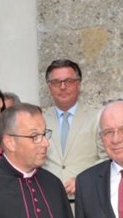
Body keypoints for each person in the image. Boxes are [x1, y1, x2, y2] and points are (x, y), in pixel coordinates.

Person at [42, 59, 105, 197]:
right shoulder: (40, 119)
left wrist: (84, 180)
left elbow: (107, 158)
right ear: (49, 87)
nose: (63, 87)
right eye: (56, 82)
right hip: (49, 199)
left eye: (69, 81)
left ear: (78, 84)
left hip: (87, 198)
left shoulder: (98, 117)